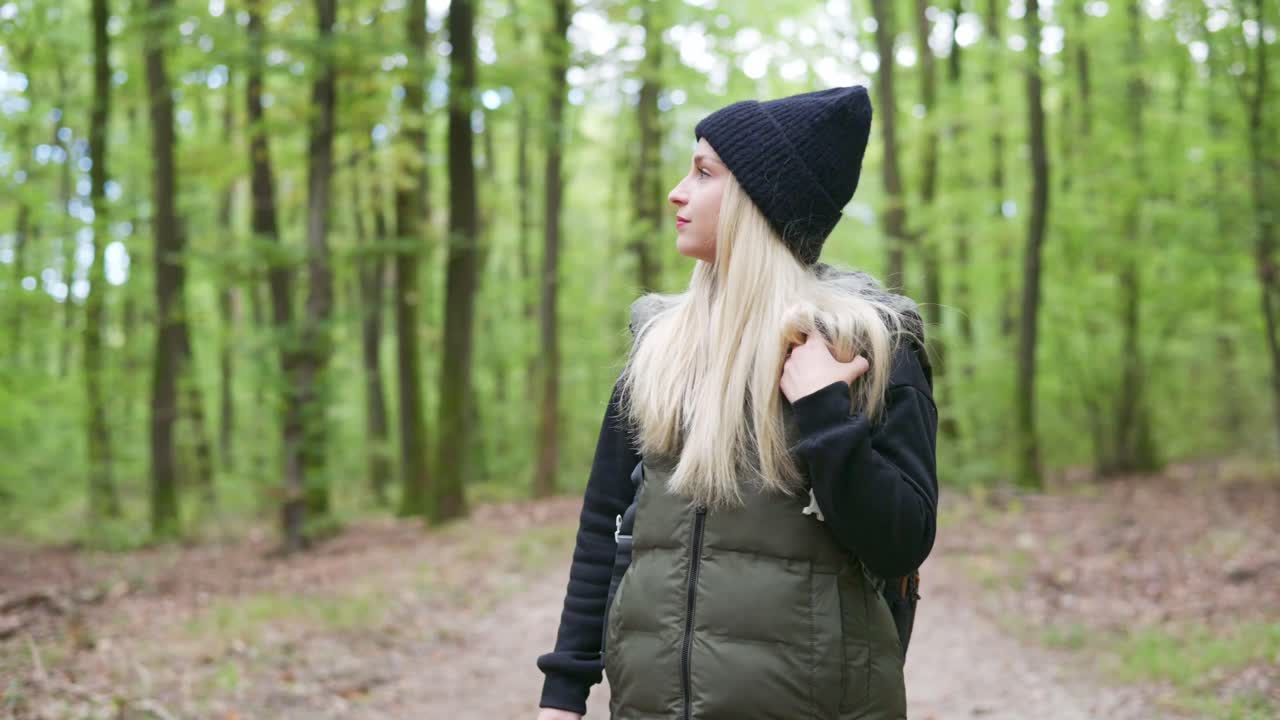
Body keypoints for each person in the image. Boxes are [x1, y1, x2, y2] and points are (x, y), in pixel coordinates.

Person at [534, 85, 939, 720]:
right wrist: (564, 691)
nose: (677, 192)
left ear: (759, 203)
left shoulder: (868, 351)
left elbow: (900, 545)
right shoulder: (660, 350)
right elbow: (604, 529)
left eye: (703, 173)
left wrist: (825, 412)